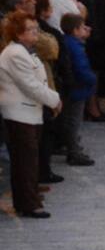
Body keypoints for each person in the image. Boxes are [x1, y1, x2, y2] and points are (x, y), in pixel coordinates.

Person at [0, 11, 61, 218]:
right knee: (26, 160)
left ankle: (27, 199)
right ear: (18, 33)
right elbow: (31, 85)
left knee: (27, 159)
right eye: (31, 29)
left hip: (29, 112)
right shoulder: (15, 53)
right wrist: (54, 99)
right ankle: (29, 203)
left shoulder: (26, 51)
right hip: (19, 113)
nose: (36, 33)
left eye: (36, 28)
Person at [58, 12, 95, 166]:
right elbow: (81, 67)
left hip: (73, 89)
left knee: (70, 119)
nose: (85, 29)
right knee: (74, 120)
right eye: (82, 27)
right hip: (77, 89)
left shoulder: (68, 43)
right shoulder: (75, 46)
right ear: (75, 30)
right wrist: (92, 79)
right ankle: (74, 151)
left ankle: (71, 146)